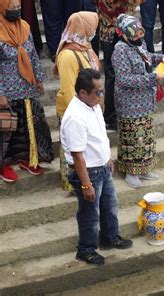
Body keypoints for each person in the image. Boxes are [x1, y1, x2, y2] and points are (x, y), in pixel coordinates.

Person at [61, 68, 133, 266]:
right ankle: (86, 250)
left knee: (110, 206)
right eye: (98, 92)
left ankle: (110, 238)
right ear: (83, 93)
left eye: (102, 91)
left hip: (101, 166)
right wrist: (86, 184)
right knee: (90, 214)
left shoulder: (92, 105)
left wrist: (107, 158)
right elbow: (77, 155)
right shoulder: (75, 116)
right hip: (88, 172)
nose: (102, 95)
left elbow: (99, 136)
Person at [0, 0, 54, 183]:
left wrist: (38, 79)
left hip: (27, 86)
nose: (15, 11)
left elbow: (33, 56)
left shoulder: (24, 26)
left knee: (30, 126)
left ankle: (28, 159)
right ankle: (3, 165)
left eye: (18, 8)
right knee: (6, 131)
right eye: (11, 8)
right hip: (7, 90)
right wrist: (0, 93)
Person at [112, 14, 164, 188]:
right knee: (132, 138)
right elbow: (124, 79)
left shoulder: (138, 45)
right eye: (134, 35)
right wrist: (152, 78)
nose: (139, 38)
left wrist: (163, 58)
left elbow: (147, 56)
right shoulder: (119, 51)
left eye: (140, 34)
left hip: (145, 101)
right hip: (129, 104)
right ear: (124, 35)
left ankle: (144, 168)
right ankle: (130, 172)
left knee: (146, 137)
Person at [55, 11, 100, 193]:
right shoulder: (67, 56)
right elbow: (68, 90)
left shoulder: (84, 47)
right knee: (74, 150)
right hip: (73, 110)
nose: (94, 30)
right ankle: (74, 184)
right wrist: (80, 113)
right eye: (92, 27)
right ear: (84, 28)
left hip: (88, 107)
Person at [96, 0, 144, 130]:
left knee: (131, 70)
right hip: (109, 29)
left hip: (128, 29)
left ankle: (128, 110)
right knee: (112, 74)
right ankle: (110, 116)